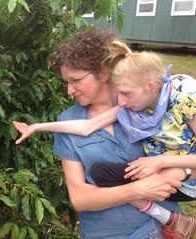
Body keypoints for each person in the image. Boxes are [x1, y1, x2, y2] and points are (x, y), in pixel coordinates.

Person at [13, 27, 194, 238]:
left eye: (76, 80)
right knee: (101, 171)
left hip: (162, 229)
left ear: (104, 73)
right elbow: (79, 199)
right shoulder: (73, 120)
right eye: (67, 82)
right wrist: (138, 189)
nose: (69, 91)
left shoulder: (143, 103)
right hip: (107, 233)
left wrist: (178, 170)